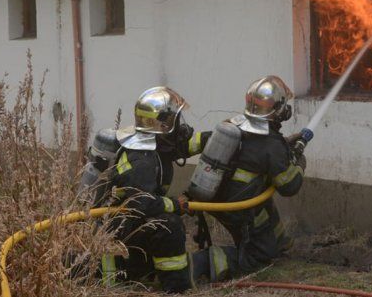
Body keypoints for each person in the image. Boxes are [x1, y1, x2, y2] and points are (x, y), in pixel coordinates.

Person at [192, 75, 306, 282]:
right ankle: (206, 261)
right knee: (260, 256)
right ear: (278, 109)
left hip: (215, 198)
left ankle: (278, 243)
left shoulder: (233, 126)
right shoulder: (271, 144)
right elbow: (289, 186)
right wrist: (299, 163)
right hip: (238, 207)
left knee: (264, 204)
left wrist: (285, 147)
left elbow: (252, 156)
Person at [96, 86, 210, 292]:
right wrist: (177, 204)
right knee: (169, 225)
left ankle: (147, 268)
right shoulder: (142, 160)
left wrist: (216, 139)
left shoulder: (154, 143)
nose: (179, 125)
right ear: (161, 124)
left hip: (128, 224)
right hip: (117, 235)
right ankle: (176, 286)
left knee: (164, 220)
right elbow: (144, 204)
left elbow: (180, 147)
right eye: (175, 121)